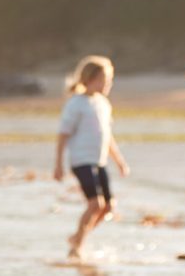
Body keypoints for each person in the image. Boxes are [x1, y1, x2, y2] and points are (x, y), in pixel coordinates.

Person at [53, 55, 130, 261]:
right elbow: (63, 134)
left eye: (109, 80)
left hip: (99, 160)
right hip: (81, 160)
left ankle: (77, 238)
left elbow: (108, 136)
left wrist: (120, 161)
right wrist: (58, 164)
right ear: (89, 79)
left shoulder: (103, 104)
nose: (108, 84)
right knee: (95, 204)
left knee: (108, 207)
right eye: (104, 79)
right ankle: (76, 246)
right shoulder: (76, 104)